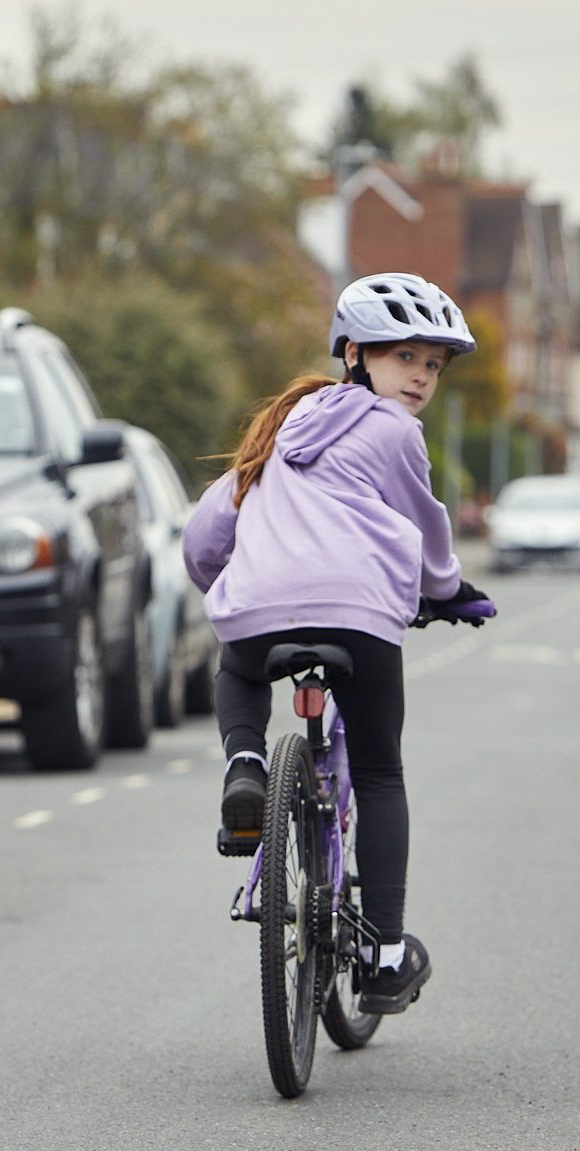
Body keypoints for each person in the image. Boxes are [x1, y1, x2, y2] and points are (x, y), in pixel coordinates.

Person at [183, 272, 490, 1015]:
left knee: (240, 664)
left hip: (259, 608)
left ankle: (248, 764)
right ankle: (385, 956)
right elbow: (425, 526)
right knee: (381, 772)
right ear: (354, 353)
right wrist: (448, 592)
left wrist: (222, 581)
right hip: (358, 614)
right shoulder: (394, 432)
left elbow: (205, 534)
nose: (420, 376)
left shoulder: (279, 427)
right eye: (404, 357)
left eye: (432, 364)